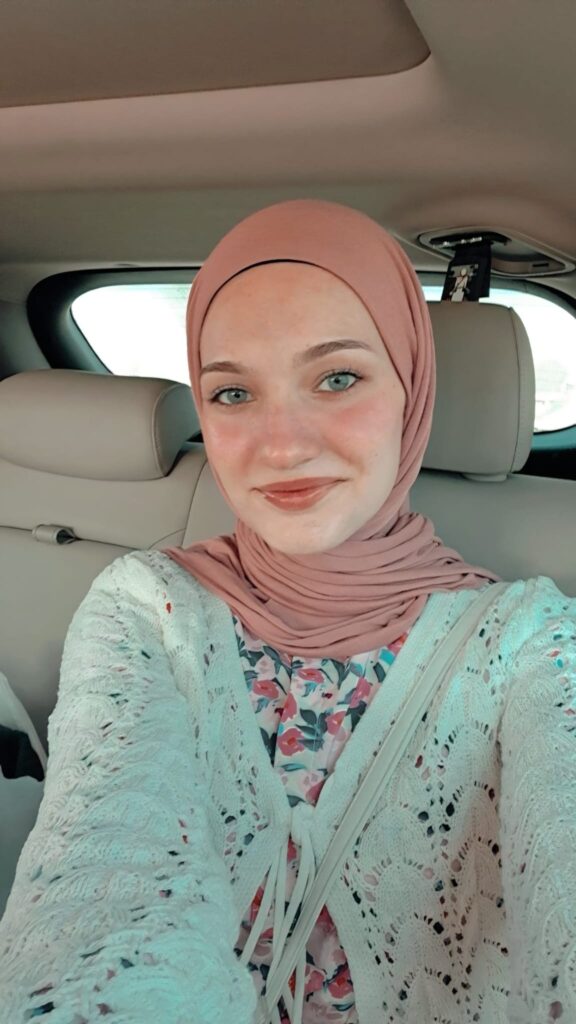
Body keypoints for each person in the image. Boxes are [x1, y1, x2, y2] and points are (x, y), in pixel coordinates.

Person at [0, 200, 574, 1024]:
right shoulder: (148, 609)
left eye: (337, 379)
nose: (282, 445)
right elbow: (104, 865)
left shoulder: (528, 645)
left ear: (412, 388)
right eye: (233, 392)